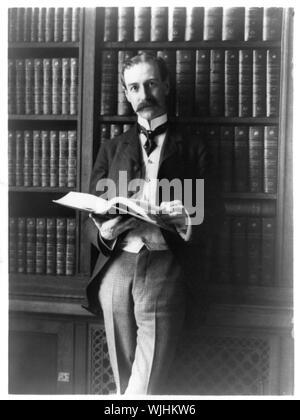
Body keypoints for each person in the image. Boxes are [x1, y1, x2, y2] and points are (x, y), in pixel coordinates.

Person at [84, 53, 224, 395]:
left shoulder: (194, 147)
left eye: (150, 84)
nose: (143, 94)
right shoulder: (111, 148)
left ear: (166, 86)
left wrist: (187, 219)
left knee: (147, 368)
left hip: (166, 257)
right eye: (134, 87)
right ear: (127, 94)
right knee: (123, 358)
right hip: (119, 258)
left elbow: (215, 212)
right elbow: (91, 212)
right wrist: (104, 231)